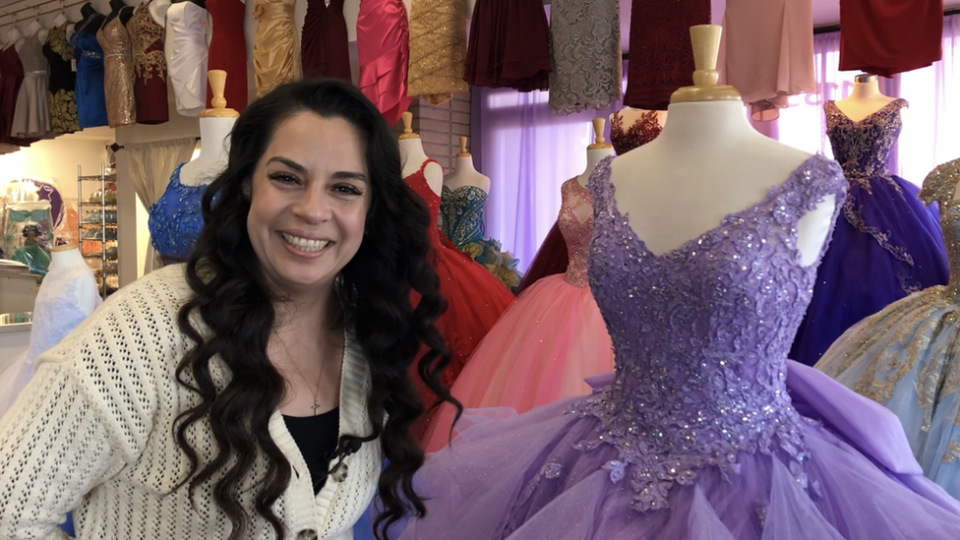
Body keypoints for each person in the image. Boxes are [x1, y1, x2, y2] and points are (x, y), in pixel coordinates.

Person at [0, 78, 458, 540]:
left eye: (345, 188)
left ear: (370, 208)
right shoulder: (144, 328)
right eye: (286, 178)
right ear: (246, 185)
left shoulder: (367, 332)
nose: (313, 210)